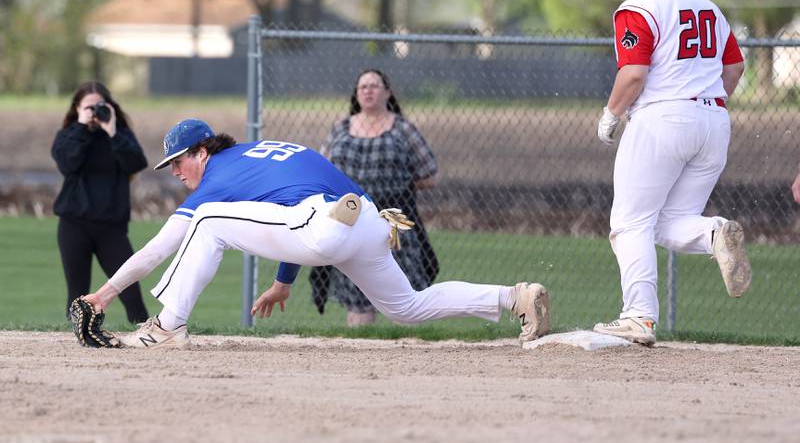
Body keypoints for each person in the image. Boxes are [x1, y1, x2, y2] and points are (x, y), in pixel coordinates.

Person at [79, 119, 550, 349]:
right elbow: (291, 207)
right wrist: (284, 280)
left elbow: (159, 248)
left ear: (202, 152)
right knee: (408, 307)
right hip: (362, 219)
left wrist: (104, 294)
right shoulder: (260, 153)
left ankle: (166, 326)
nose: (176, 172)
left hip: (324, 224)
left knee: (207, 223)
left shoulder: (216, 180)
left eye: (178, 161)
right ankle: (515, 297)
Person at [593, 0, 752, 346]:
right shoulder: (708, 7)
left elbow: (634, 73)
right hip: (714, 121)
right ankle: (715, 232)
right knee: (669, 224)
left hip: (661, 120)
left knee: (629, 224)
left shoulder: (638, 8)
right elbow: (734, 69)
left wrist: (611, 114)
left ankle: (639, 317)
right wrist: (703, 102)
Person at [310, 69, 440, 326]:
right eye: (363, 87)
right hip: (351, 222)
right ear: (356, 94)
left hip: (393, 224)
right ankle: (361, 359)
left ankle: (407, 353)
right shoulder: (341, 128)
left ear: (387, 92)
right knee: (357, 297)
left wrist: (395, 187)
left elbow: (429, 174)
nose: (368, 90)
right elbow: (322, 168)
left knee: (403, 299)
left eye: (374, 86)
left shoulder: (402, 129)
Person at [51, 81, 149, 323]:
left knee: (131, 292)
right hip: (74, 223)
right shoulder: (67, 137)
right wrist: (82, 128)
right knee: (77, 293)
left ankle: (148, 334)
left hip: (111, 228)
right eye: (88, 107)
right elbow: (68, 165)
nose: (94, 112)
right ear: (76, 109)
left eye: (100, 106)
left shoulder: (121, 136)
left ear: (111, 107)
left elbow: (136, 164)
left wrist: (113, 131)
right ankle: (76, 342)